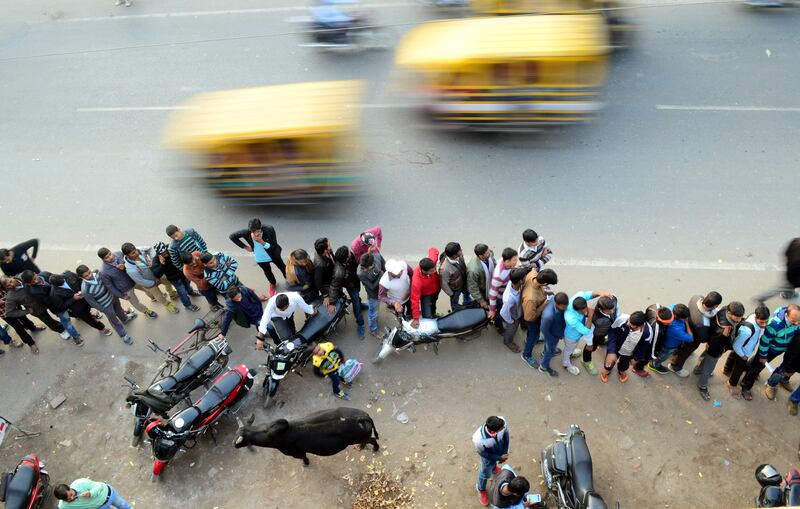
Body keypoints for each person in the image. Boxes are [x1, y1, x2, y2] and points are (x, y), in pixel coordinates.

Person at [739, 304, 800, 401]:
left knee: (754, 364)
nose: (796, 323)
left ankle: (746, 368)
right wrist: (763, 356)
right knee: (756, 369)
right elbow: (764, 341)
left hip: (778, 350)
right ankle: (745, 387)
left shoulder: (796, 321)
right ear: (787, 316)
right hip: (768, 351)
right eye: (793, 321)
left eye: (798, 321)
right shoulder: (774, 325)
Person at [18, 271, 84, 347]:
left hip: (66, 297)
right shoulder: (34, 292)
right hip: (58, 307)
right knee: (67, 322)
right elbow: (49, 302)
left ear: (35, 273)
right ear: (29, 283)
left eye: (35, 278)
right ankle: (76, 337)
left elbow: (57, 280)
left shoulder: (45, 274)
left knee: (75, 311)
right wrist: (61, 297)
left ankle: (79, 316)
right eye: (33, 281)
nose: (36, 280)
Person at [696, 301, 745, 401]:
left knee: (705, 355)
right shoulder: (724, 329)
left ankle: (698, 368)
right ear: (729, 313)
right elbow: (716, 343)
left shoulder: (724, 309)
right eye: (737, 317)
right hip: (715, 349)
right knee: (709, 368)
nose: (739, 320)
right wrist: (723, 337)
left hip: (710, 343)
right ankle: (702, 385)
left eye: (741, 317)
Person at [668, 291, 723, 377]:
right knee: (685, 351)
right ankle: (675, 366)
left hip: (685, 326)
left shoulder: (696, 297)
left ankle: (675, 352)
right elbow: (703, 339)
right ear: (715, 306)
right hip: (693, 337)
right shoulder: (703, 323)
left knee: (681, 345)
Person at [76, 265, 134, 345]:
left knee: (119, 309)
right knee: (114, 321)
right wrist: (104, 310)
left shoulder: (96, 272)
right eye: (86, 276)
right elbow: (92, 303)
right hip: (105, 305)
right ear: (81, 277)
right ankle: (123, 335)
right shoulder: (85, 289)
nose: (90, 276)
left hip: (113, 297)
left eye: (89, 272)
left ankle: (125, 319)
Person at [229, 218, 286, 297]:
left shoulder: (269, 229)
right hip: (260, 257)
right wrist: (245, 247)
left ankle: (290, 281)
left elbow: (274, 246)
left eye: (258, 231)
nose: (256, 234)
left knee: (283, 268)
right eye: (253, 231)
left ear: (261, 227)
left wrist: (262, 242)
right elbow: (232, 236)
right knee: (267, 272)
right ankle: (273, 284)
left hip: (273, 254)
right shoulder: (246, 232)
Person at [722, 305, 769, 398]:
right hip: (743, 352)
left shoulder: (753, 316)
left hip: (743, 347)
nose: (764, 325)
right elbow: (736, 346)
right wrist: (743, 356)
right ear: (756, 317)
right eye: (761, 322)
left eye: (766, 321)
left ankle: (726, 369)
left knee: (733, 356)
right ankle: (732, 384)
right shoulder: (747, 331)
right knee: (738, 369)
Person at [97, 247, 157, 319]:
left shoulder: (119, 253)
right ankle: (146, 311)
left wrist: (124, 267)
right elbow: (110, 286)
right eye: (107, 257)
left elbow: (130, 260)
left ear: (110, 251)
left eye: (110, 254)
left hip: (135, 278)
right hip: (125, 288)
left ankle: (153, 298)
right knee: (135, 302)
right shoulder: (103, 271)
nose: (110, 257)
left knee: (147, 289)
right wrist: (121, 295)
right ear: (102, 259)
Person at [47, 273, 112, 339]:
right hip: (78, 308)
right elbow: (62, 306)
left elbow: (80, 279)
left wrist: (82, 289)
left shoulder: (68, 274)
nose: (64, 282)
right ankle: (101, 328)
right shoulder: (54, 294)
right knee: (89, 319)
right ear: (55, 285)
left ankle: (91, 314)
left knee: (93, 308)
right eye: (62, 283)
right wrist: (73, 299)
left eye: (63, 280)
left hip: (86, 298)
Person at [564, 290, 612, 376]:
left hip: (578, 334)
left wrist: (601, 293)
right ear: (576, 310)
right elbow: (586, 330)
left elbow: (589, 294)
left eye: (585, 308)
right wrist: (590, 315)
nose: (584, 312)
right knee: (568, 349)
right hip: (572, 336)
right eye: (581, 311)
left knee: (572, 347)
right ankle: (566, 364)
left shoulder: (579, 297)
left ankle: (572, 352)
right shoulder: (570, 317)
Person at [121, 243, 178, 315]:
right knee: (158, 295)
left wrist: (152, 260)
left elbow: (150, 249)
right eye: (133, 253)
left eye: (135, 250)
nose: (137, 253)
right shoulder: (131, 269)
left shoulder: (139, 250)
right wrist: (154, 283)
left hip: (157, 273)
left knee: (167, 281)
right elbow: (141, 281)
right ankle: (168, 305)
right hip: (149, 282)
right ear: (127, 255)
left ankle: (172, 293)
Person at [520, 269, 558, 369]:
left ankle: (531, 339)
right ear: (544, 282)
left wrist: (547, 293)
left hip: (534, 310)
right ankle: (526, 355)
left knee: (533, 335)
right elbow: (529, 317)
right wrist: (546, 303)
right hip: (532, 319)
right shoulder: (531, 298)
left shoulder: (534, 274)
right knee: (534, 334)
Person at [601, 311, 652, 384]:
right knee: (609, 361)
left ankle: (621, 371)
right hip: (616, 347)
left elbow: (643, 347)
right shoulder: (622, 319)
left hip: (629, 353)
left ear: (640, 326)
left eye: (631, 325)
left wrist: (636, 358)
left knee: (624, 364)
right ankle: (607, 369)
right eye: (629, 321)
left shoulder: (647, 332)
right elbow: (612, 332)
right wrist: (611, 351)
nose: (627, 323)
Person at [151, 242, 200, 312]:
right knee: (182, 292)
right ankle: (188, 305)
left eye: (166, 251)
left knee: (187, 284)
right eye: (163, 253)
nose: (165, 254)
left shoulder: (171, 249)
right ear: (158, 254)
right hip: (174, 279)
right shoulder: (156, 260)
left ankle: (191, 292)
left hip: (182, 273)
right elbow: (157, 274)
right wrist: (162, 264)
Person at [472, 415, 510, 506]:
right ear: (493, 431)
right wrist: (499, 458)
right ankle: (481, 489)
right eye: (501, 429)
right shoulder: (478, 439)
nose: (503, 428)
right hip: (488, 457)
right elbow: (483, 453)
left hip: (499, 450)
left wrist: (504, 452)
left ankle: (493, 468)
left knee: (493, 465)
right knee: (485, 473)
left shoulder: (501, 422)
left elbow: (506, 434)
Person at [328, 246, 365, 337]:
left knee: (357, 298)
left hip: (355, 281)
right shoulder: (339, 272)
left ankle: (361, 305)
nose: (350, 251)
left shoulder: (350, 257)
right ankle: (360, 323)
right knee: (355, 301)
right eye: (348, 252)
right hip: (351, 286)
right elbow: (334, 287)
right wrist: (332, 303)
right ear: (346, 258)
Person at [648, 304, 691, 374]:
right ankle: (654, 365)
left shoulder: (672, 308)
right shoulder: (676, 329)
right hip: (668, 346)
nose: (671, 323)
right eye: (684, 318)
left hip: (666, 341)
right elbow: (690, 338)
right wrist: (687, 322)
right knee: (663, 356)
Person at [755, 238, 800, 304]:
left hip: (789, 272)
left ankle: (788, 295)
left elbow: (785, 253)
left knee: (786, 287)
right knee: (782, 288)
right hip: (793, 278)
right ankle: (760, 298)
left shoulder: (795, 242)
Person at [583, 295, 618, 376]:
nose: (612, 311)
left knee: (603, 338)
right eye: (608, 311)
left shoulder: (613, 301)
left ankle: (602, 341)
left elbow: (615, 310)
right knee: (590, 348)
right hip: (596, 335)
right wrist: (589, 343)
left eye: (612, 309)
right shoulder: (594, 318)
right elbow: (589, 331)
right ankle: (586, 361)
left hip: (604, 331)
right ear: (600, 309)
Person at [0, 283, 39, 354]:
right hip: (5, 313)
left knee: (24, 319)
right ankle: (31, 343)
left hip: (14, 305)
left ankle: (32, 328)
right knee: (19, 328)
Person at [488, 248, 519, 332]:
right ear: (507, 261)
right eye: (514, 260)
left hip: (506, 292)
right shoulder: (499, 276)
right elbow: (492, 294)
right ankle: (499, 327)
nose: (516, 262)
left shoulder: (505, 261)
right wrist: (492, 309)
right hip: (500, 298)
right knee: (499, 314)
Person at [410, 248, 441, 328]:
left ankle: (433, 314)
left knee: (433, 305)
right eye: (432, 271)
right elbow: (415, 301)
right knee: (427, 316)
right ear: (424, 270)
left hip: (436, 290)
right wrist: (416, 318)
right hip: (425, 295)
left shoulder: (431, 263)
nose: (434, 271)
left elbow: (434, 250)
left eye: (435, 268)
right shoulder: (416, 282)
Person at [498, 269, 528, 353]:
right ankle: (508, 342)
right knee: (511, 330)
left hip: (519, 311)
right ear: (520, 281)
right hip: (513, 316)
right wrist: (511, 321)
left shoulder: (514, 284)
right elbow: (503, 313)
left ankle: (523, 326)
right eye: (525, 277)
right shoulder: (509, 299)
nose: (527, 278)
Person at [541, 292, 569, 376]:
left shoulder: (556, 298)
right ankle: (543, 367)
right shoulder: (548, 316)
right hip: (552, 336)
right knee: (550, 351)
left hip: (556, 332)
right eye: (564, 306)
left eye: (566, 305)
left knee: (550, 348)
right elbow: (544, 329)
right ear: (557, 304)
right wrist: (551, 340)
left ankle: (545, 351)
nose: (566, 308)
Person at [53, 478, 131, 509]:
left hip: (109, 495)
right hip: (100, 508)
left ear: (69, 487)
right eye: (68, 499)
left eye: (71, 495)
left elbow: (99, 486)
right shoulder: (63, 505)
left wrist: (91, 493)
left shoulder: (80, 483)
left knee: (123, 506)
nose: (72, 498)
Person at [357, 252, 385, 338]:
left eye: (366, 268)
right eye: (362, 267)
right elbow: (372, 287)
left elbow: (385, 267)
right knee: (373, 313)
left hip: (381, 290)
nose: (363, 269)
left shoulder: (377, 256)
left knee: (375, 310)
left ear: (372, 264)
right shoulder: (360, 273)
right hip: (373, 294)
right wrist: (381, 275)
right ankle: (373, 330)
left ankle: (375, 321)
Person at [439, 242, 472, 311]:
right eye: (460, 250)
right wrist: (451, 294)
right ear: (454, 255)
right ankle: (455, 310)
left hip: (464, 283)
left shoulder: (459, 256)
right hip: (455, 289)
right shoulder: (444, 269)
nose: (461, 251)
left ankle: (467, 303)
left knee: (467, 293)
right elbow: (444, 284)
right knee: (454, 302)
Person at [467, 244, 496, 310]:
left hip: (491, 284)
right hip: (483, 289)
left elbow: (494, 262)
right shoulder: (473, 270)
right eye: (487, 253)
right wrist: (481, 301)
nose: (490, 253)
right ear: (481, 256)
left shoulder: (489, 255)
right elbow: (472, 287)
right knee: (485, 306)